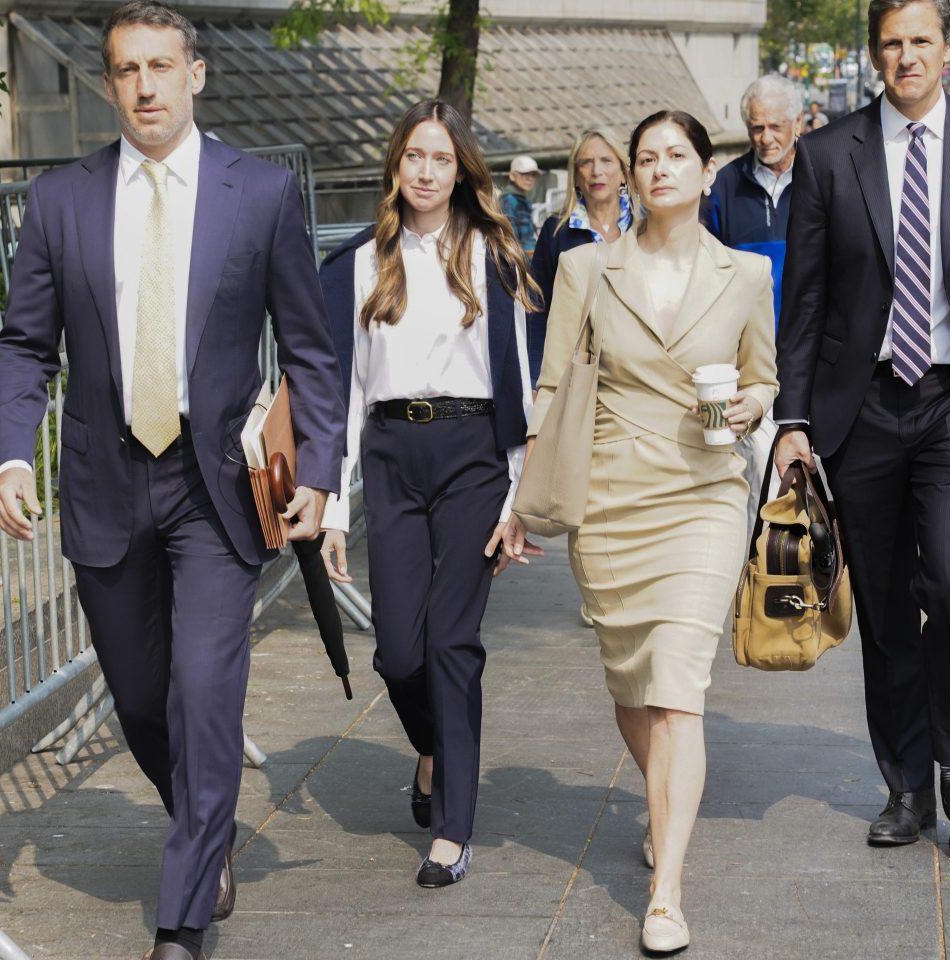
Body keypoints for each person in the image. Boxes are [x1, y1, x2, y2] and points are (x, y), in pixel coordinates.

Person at [0, 3, 346, 959]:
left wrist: (320, 471)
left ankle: (182, 919)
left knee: (202, 686)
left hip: (215, 487)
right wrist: (11, 450)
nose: (144, 85)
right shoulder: (61, 201)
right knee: (144, 698)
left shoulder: (259, 193)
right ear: (109, 84)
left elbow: (312, 351)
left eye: (160, 65)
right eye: (124, 70)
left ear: (196, 74)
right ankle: (205, 819)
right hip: (104, 481)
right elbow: (26, 344)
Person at [775, 0, 950, 867]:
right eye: (891, 43)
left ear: (948, 48)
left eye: (920, 40)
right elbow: (807, 300)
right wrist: (792, 419)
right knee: (889, 600)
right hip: (861, 406)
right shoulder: (828, 155)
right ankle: (904, 783)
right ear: (874, 53)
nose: (906, 56)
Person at [504, 110, 777, 955]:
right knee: (635, 688)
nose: (660, 169)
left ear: (705, 171)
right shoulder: (587, 268)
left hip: (703, 491)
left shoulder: (745, 275)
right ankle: (665, 806)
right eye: (646, 158)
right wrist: (519, 495)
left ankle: (666, 892)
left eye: (677, 156)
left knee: (678, 692)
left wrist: (753, 402)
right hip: (613, 497)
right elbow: (550, 388)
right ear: (628, 174)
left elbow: (765, 376)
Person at [316, 99, 539, 889]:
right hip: (388, 456)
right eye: (414, 156)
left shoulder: (494, 256)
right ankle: (435, 747)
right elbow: (337, 394)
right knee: (398, 652)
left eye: (441, 158)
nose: (426, 171)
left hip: (473, 455)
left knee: (451, 642)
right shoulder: (354, 263)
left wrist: (519, 500)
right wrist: (333, 505)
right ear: (395, 164)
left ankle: (452, 830)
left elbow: (521, 385)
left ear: (461, 169)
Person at [707, 73, 805, 526]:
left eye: (775, 127)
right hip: (749, 362)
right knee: (758, 486)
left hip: (809, 353)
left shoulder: (820, 179)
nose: (765, 138)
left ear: (798, 123)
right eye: (756, 128)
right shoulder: (724, 187)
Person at [528, 128, 634, 389]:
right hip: (573, 371)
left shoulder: (643, 228)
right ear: (575, 176)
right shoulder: (556, 231)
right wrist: (535, 381)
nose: (596, 171)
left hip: (635, 370)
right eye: (586, 162)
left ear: (623, 173)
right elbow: (538, 309)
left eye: (607, 161)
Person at [500, 154, 540, 256]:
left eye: (533, 175)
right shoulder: (509, 200)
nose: (530, 178)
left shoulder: (522, 199)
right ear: (512, 176)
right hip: (521, 258)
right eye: (525, 174)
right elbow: (510, 235)